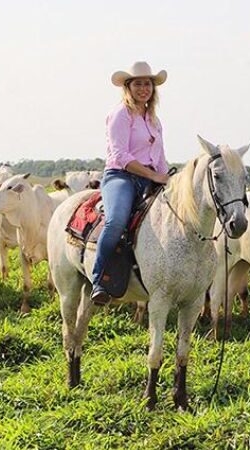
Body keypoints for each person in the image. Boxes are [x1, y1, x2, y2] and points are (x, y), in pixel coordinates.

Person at [91, 61, 170, 305]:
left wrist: (166, 177)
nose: (143, 88)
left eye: (148, 84)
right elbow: (120, 155)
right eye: (138, 84)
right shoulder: (120, 114)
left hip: (149, 176)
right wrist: (153, 176)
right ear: (128, 87)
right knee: (115, 221)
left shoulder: (154, 120)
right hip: (121, 177)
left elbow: (160, 157)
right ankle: (99, 278)